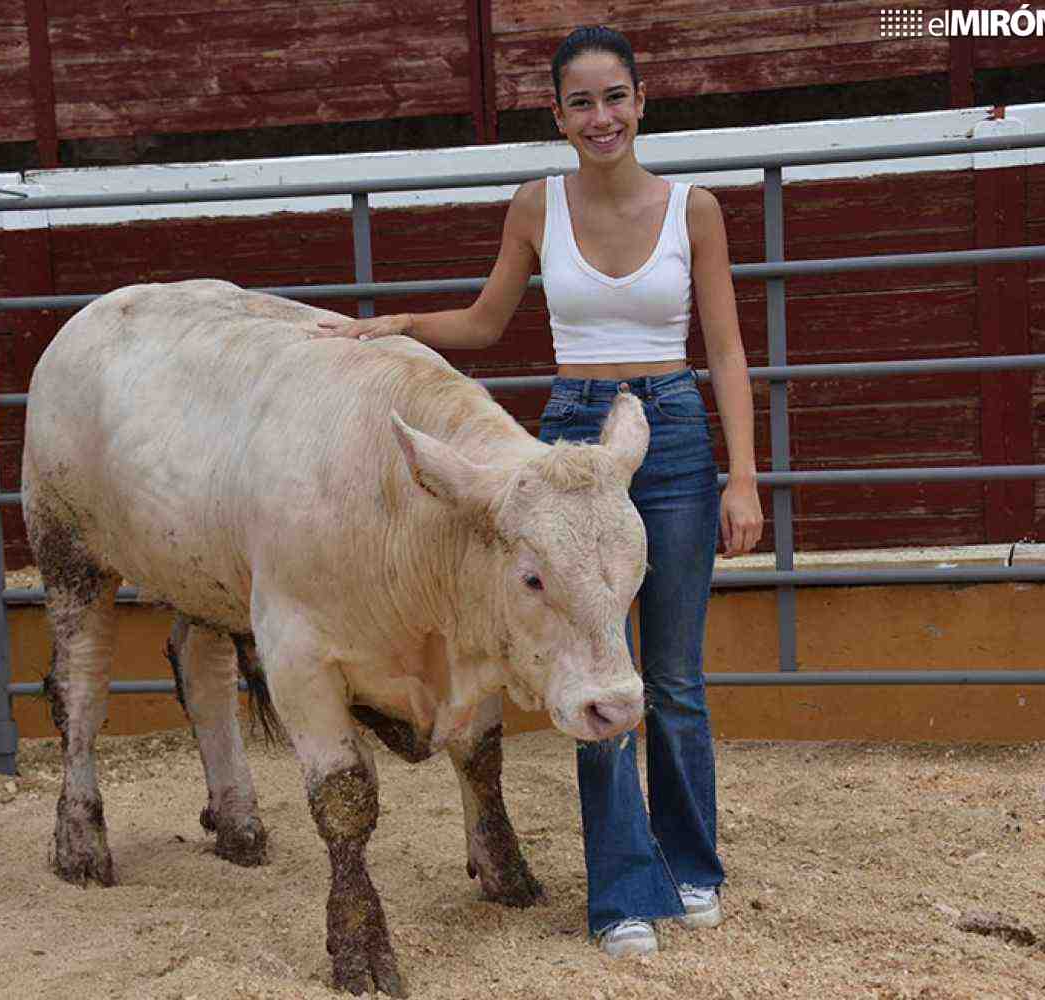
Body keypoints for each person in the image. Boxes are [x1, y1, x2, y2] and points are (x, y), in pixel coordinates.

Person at [315, 25, 763, 958]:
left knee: (674, 675)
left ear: (644, 103)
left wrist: (744, 477)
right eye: (581, 103)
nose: (601, 117)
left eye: (615, 98)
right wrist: (397, 321)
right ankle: (624, 891)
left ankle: (691, 864)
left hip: (669, 436)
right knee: (590, 655)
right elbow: (485, 321)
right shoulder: (535, 206)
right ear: (557, 116)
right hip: (569, 442)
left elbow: (724, 349)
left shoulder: (697, 210)